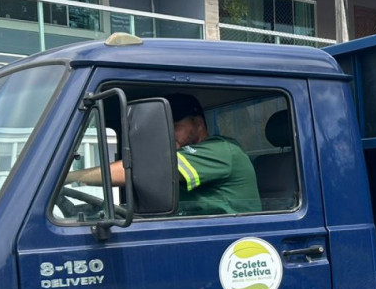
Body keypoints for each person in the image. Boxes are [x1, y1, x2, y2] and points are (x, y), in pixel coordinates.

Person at [65, 93, 261, 216]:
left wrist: (69, 177)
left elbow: (149, 171)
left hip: (232, 244)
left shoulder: (223, 150)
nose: (168, 133)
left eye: (175, 126)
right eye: (165, 127)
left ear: (198, 124)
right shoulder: (185, 154)